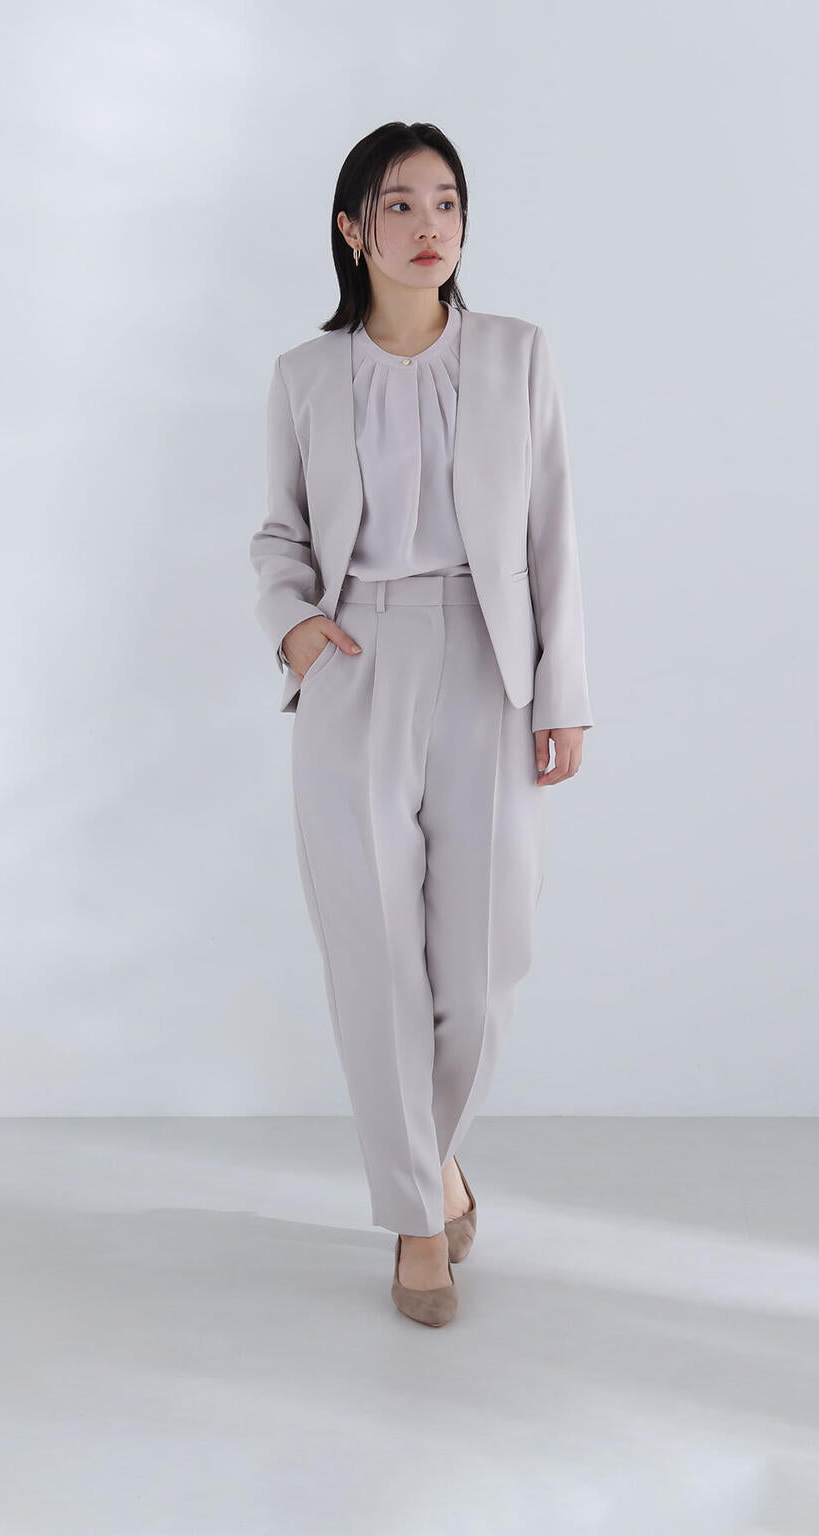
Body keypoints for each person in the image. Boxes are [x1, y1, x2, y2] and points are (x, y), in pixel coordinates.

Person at [248, 122, 593, 1328]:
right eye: (397, 204)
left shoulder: (514, 354)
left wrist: (562, 693)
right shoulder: (305, 375)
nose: (427, 224)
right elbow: (278, 534)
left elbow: (551, 532)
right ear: (353, 230)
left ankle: (428, 1162)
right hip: (353, 660)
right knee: (375, 964)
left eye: (444, 201)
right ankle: (414, 1219)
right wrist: (294, 625)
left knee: (487, 966)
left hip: (486, 664)